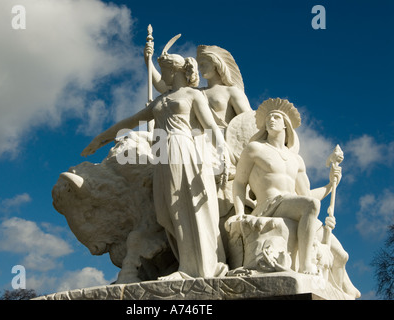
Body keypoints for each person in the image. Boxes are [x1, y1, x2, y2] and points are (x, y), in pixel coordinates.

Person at [82, 39, 229, 280]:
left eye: (164, 71)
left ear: (174, 71)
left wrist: (224, 155)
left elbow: (211, 127)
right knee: (168, 209)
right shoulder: (160, 101)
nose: (162, 77)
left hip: (185, 149)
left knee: (188, 207)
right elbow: (129, 122)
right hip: (163, 153)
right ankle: (185, 263)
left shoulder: (193, 95)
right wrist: (101, 139)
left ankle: (196, 269)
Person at [233, 98, 340, 275]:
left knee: (340, 253)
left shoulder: (296, 160)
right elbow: (239, 182)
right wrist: (239, 213)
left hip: (290, 205)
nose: (271, 119)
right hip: (267, 206)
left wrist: (331, 184)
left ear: (286, 125)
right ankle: (305, 265)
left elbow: (306, 195)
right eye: (268, 117)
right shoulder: (255, 149)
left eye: (276, 117)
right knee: (310, 206)